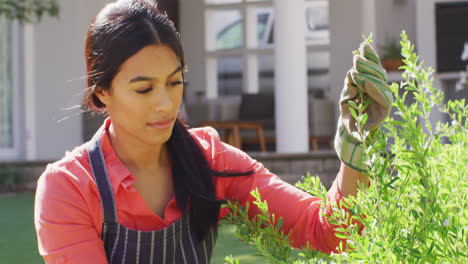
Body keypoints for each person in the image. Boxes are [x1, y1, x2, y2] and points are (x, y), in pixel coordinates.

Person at [34, 0, 392, 263]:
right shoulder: (70, 188)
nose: (165, 104)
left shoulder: (210, 159)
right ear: (102, 92)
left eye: (175, 83)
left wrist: (356, 152)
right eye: (144, 89)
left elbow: (325, 231)